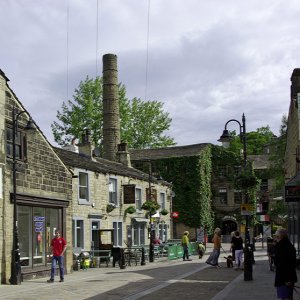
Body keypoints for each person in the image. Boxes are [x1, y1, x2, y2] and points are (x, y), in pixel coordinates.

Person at [274, 229, 297, 300]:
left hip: (285, 279)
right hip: (285, 278)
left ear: (280, 237)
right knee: (287, 296)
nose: (275, 238)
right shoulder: (286, 245)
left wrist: (288, 279)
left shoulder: (283, 247)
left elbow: (287, 264)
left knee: (286, 297)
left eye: (276, 236)